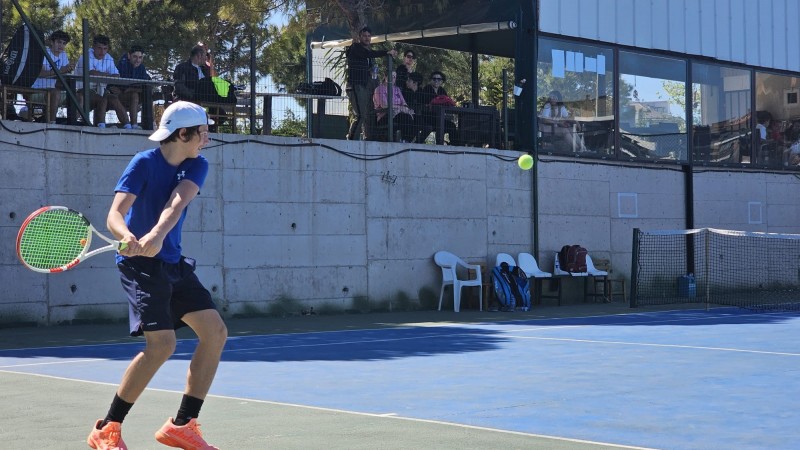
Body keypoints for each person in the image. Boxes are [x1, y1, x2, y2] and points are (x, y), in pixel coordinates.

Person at [86, 101, 227, 450]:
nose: (207, 139)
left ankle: (182, 425)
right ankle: (107, 428)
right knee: (162, 345)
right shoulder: (143, 163)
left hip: (172, 263)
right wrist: (127, 237)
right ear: (183, 134)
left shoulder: (197, 163)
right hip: (140, 267)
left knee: (215, 332)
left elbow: (176, 204)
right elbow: (115, 214)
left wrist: (155, 236)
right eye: (202, 133)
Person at [345, 26, 397, 141]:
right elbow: (368, 54)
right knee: (360, 115)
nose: (367, 38)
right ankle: (351, 140)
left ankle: (364, 137)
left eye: (369, 36)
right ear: (359, 37)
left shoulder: (367, 52)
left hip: (365, 86)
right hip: (355, 85)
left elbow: (368, 57)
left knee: (366, 114)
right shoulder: (355, 47)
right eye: (364, 36)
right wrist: (386, 52)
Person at [73, 34, 131, 128]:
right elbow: (90, 72)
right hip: (82, 91)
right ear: (93, 47)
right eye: (99, 48)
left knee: (114, 99)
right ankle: (101, 126)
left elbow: (117, 75)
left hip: (101, 92)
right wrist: (108, 75)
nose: (102, 52)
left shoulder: (108, 58)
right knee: (102, 100)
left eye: (105, 49)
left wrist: (101, 74)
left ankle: (128, 126)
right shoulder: (85, 56)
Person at [29, 30, 74, 123]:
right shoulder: (43, 52)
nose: (61, 45)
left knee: (76, 94)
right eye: (59, 42)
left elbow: (64, 72)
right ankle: (52, 123)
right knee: (56, 92)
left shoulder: (63, 55)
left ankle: (72, 122)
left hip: (52, 87)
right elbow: (40, 73)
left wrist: (69, 68)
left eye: (64, 43)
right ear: (51, 42)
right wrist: (61, 71)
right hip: (37, 89)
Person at [115, 45, 152, 129]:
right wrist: (133, 88)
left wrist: (131, 89)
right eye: (135, 57)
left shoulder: (142, 67)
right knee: (134, 95)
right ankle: (131, 124)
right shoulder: (123, 65)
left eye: (140, 57)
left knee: (137, 95)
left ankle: (138, 124)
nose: (138, 60)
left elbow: (145, 85)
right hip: (119, 95)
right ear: (129, 56)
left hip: (132, 95)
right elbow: (122, 86)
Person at [372, 70, 415, 142]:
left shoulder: (397, 89)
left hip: (398, 114)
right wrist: (400, 108)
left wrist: (398, 110)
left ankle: (406, 141)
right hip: (384, 116)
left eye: (394, 77)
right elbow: (384, 105)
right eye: (391, 76)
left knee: (414, 119)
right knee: (406, 117)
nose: (393, 78)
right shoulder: (379, 89)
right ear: (385, 77)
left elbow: (405, 104)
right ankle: (405, 141)